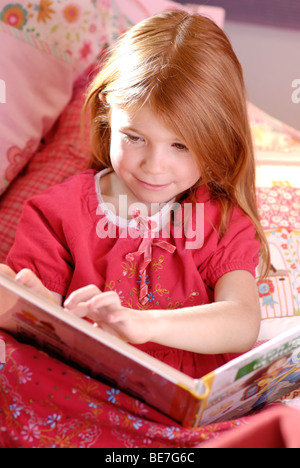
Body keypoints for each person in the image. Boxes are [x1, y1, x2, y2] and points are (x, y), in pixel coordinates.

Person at [0, 10, 270, 379]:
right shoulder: (57, 213)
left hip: (183, 403)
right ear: (107, 118)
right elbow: (40, 322)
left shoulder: (218, 219)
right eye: (134, 137)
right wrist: (27, 305)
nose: (154, 166)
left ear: (218, 143)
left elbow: (242, 321)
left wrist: (146, 325)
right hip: (83, 386)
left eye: (181, 145)